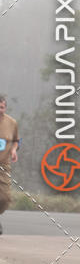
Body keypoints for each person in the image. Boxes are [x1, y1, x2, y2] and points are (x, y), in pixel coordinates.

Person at [0, 95, 20, 235]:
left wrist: (13, 150)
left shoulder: (12, 123)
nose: (0, 110)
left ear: (5, 108)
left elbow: (16, 140)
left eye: (2, 107)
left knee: (5, 198)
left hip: (4, 165)